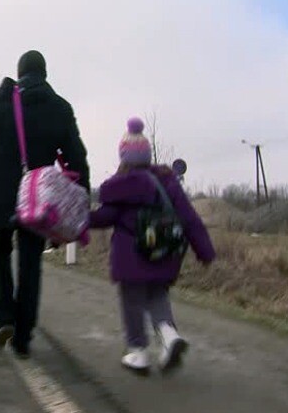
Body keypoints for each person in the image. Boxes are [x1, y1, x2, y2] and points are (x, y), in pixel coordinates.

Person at [0, 50, 90, 359]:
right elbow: (77, 157)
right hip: (39, 202)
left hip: (0, 198)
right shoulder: (60, 108)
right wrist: (80, 199)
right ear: (45, 74)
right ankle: (23, 337)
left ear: (19, 72)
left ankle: (4, 315)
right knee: (31, 265)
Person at [88, 118, 215, 375]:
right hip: (165, 253)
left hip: (131, 255)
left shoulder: (119, 187)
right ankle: (169, 336)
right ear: (147, 154)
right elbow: (189, 217)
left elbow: (104, 218)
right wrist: (204, 249)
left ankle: (139, 352)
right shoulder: (168, 181)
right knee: (158, 294)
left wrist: (79, 219)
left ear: (123, 156)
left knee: (132, 301)